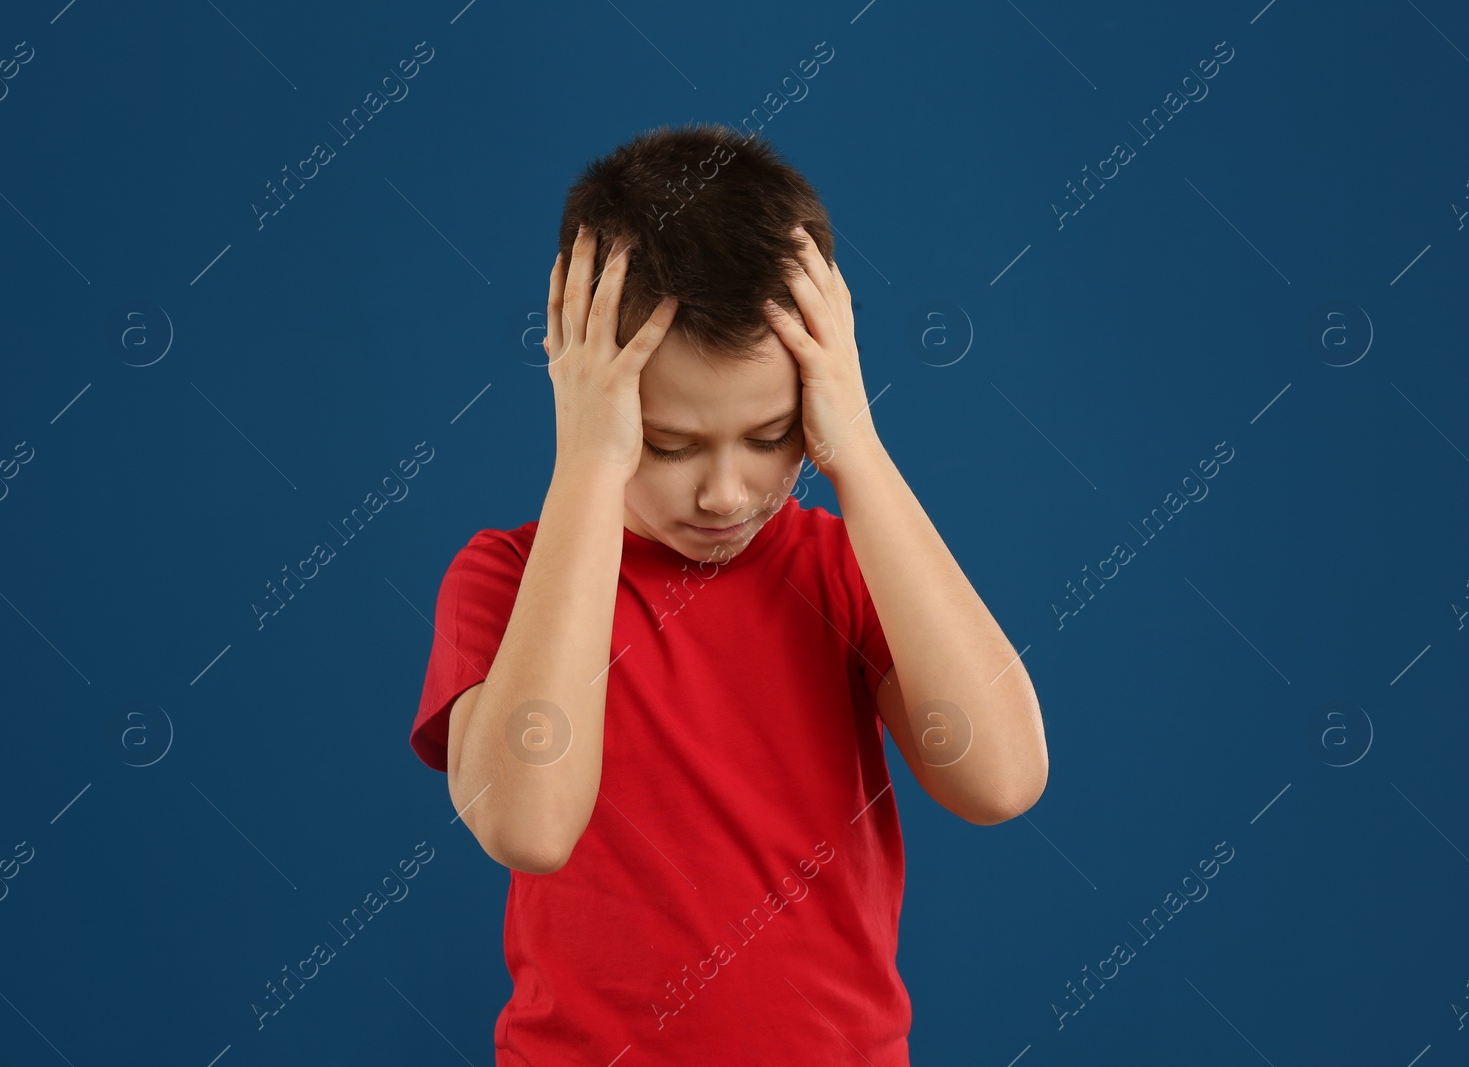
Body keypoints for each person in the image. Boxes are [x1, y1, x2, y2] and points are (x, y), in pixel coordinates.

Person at [409, 123, 1048, 1066]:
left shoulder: (846, 568)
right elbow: (527, 826)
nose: (726, 492)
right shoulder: (505, 578)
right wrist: (589, 464)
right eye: (668, 446)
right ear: (586, 386)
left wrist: (857, 454)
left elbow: (1000, 779)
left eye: (771, 436)